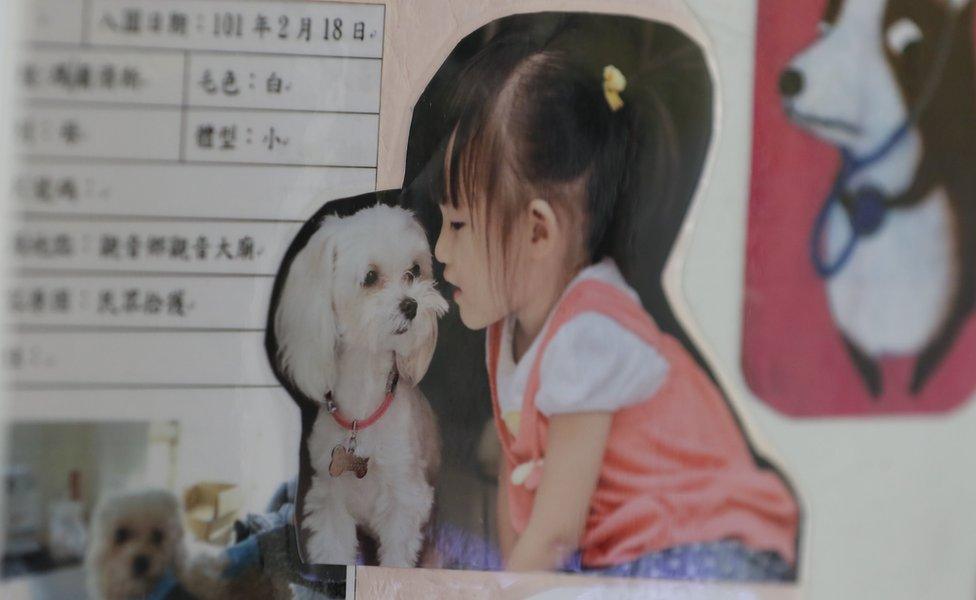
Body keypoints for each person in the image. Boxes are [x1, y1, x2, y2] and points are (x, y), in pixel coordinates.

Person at [432, 37, 799, 581]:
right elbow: (524, 497)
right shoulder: (511, 328)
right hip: (630, 554)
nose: (439, 250)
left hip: (714, 547)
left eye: (458, 225)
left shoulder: (587, 336)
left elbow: (555, 535)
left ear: (537, 231)